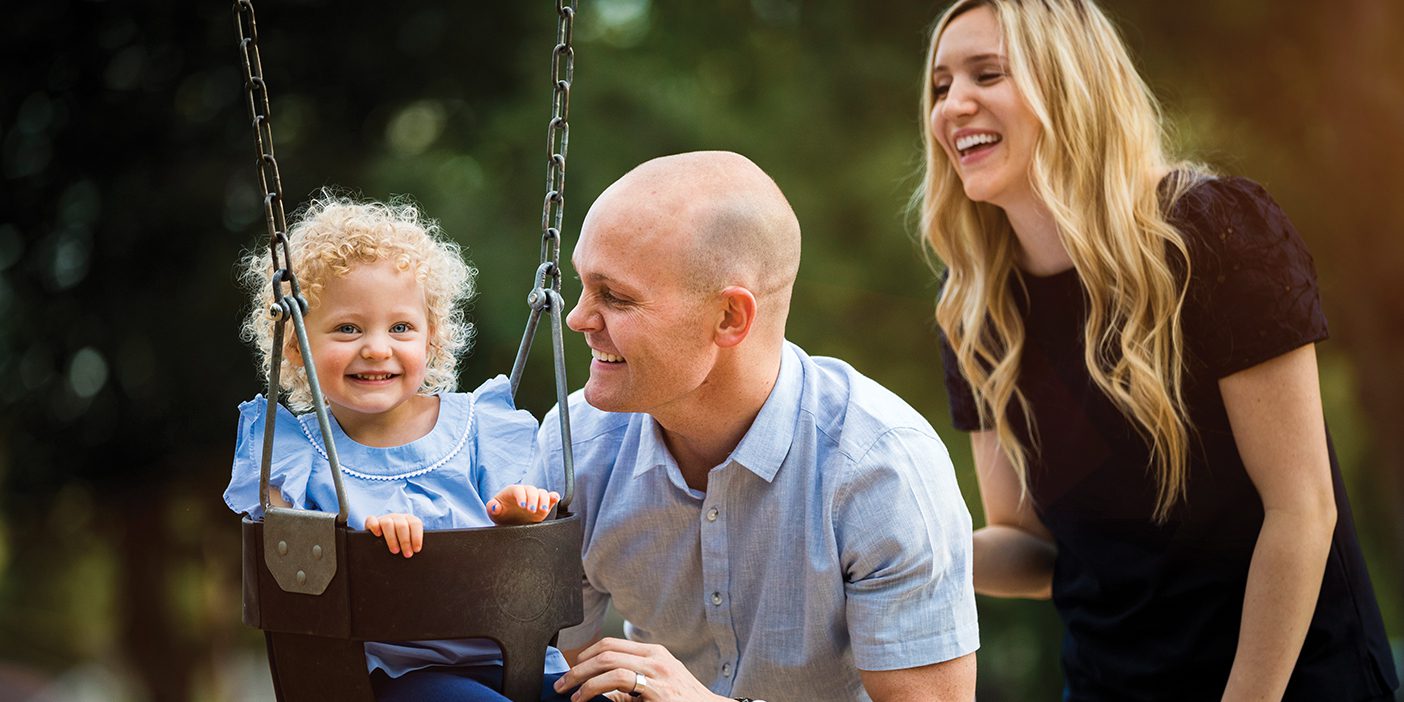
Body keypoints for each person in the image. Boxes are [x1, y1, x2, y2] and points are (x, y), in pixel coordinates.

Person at [918, 1, 1399, 700]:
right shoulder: (974, 308)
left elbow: (1301, 509)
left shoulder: (1214, 231)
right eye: (939, 86)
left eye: (986, 74)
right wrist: (904, 549)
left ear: (1070, 82)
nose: (953, 105)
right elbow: (1034, 548)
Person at [535, 151, 980, 702]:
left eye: (616, 297)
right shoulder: (575, 446)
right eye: (582, 285)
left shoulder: (880, 470)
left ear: (729, 318)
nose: (577, 318)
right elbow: (555, 671)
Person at [223, 194, 595, 702]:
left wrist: (516, 513)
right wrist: (365, 543)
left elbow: (510, 538)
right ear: (295, 344)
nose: (377, 347)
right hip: (405, 679)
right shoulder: (297, 453)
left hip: (519, 655)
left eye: (400, 327)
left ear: (433, 339)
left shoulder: (478, 427)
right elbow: (283, 550)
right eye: (348, 328)